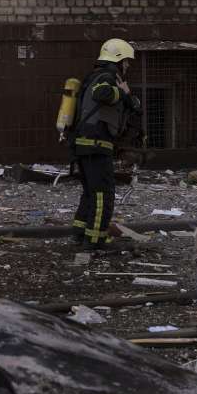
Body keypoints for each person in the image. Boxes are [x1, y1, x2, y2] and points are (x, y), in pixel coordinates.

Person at [69, 38, 142, 250]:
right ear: (118, 60)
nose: (127, 65)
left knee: (91, 192)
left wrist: (129, 100)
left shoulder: (94, 75)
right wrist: (124, 93)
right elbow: (102, 93)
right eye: (126, 61)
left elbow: (133, 108)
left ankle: (80, 233)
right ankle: (95, 240)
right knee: (103, 194)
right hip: (95, 145)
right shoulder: (107, 77)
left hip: (84, 145)